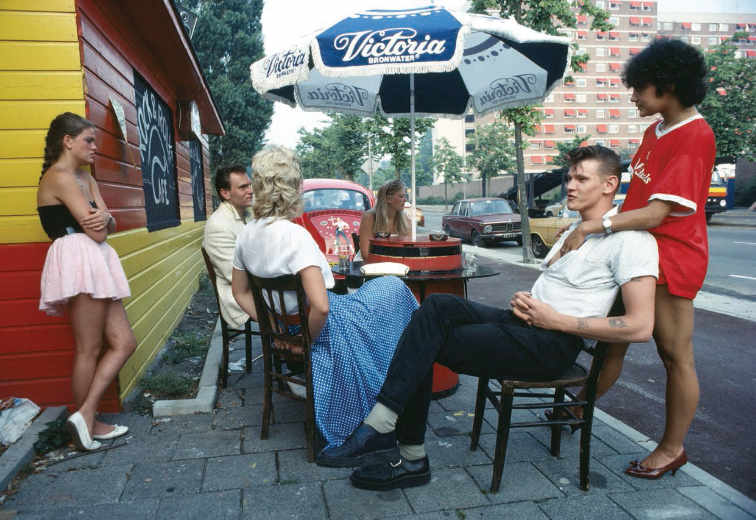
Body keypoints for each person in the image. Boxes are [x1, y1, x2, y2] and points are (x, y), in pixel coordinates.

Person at [316, 145, 660, 490]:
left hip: (551, 344)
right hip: (524, 324)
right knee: (435, 308)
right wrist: (531, 300)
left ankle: (398, 444)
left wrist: (556, 320)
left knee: (422, 343)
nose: (569, 185)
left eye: (581, 178)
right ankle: (389, 432)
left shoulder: (631, 240)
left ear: (609, 184)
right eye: (569, 177)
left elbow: (640, 326)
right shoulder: (574, 232)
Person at [558, 38, 715, 479]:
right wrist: (604, 228)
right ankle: (577, 410)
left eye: (639, 87)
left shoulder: (696, 135)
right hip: (636, 250)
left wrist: (594, 225)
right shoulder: (656, 130)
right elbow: (636, 199)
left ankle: (672, 448)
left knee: (673, 354)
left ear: (666, 85)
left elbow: (660, 211)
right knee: (612, 343)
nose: (632, 95)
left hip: (672, 258)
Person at [230, 146, 419, 453]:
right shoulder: (295, 236)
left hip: (291, 327)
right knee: (395, 291)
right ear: (292, 187)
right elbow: (321, 306)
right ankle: (399, 385)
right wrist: (305, 340)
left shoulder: (246, 235)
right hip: (320, 325)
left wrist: (274, 326)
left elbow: (239, 292)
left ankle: (396, 378)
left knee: (385, 291)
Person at [37, 113, 136, 451]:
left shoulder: (85, 178)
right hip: (77, 258)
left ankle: (85, 416)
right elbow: (98, 228)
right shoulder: (60, 176)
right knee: (89, 348)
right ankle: (88, 423)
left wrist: (103, 220)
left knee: (124, 342)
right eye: (88, 140)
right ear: (67, 141)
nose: (95, 147)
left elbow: (109, 225)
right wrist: (103, 220)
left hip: (96, 259)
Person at [202, 165, 253, 329]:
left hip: (258, 288)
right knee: (303, 301)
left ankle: (290, 346)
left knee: (314, 297)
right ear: (225, 193)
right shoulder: (219, 226)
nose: (250, 191)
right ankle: (290, 345)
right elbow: (235, 277)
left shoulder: (248, 214)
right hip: (242, 300)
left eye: (250, 185)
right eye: (243, 187)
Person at [356, 179, 411, 261]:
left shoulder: (406, 220)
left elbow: (410, 248)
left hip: (398, 266)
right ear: (388, 199)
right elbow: (366, 254)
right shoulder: (369, 217)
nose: (405, 200)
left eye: (405, 196)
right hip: (369, 266)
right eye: (401, 196)